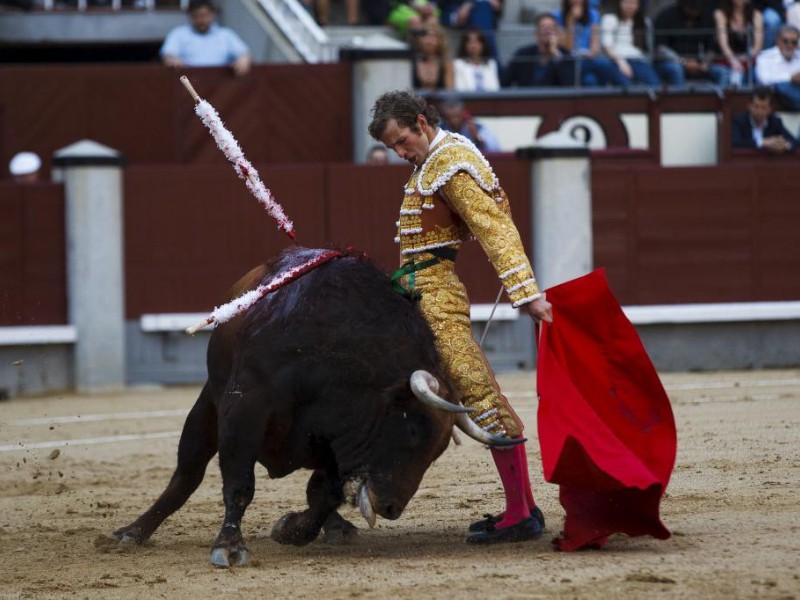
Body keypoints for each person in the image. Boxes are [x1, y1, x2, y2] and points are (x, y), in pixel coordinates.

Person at [368, 90, 553, 545]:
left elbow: (495, 227)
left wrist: (526, 293)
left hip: (435, 297)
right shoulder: (430, 164)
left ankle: (520, 512)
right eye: (392, 147)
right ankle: (523, 507)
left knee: (476, 390)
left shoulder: (450, 163)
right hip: (412, 292)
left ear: (420, 122)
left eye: (402, 141)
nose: (399, 153)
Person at [160, 0, 252, 77]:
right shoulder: (178, 34)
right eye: (197, 16)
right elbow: (168, 55)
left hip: (221, 89)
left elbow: (244, 54)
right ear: (190, 16)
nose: (201, 20)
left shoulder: (226, 35)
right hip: (189, 87)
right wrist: (173, 60)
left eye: (205, 15)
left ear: (213, 15)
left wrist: (243, 60)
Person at [553, 0, 628, 86]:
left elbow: (595, 47)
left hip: (588, 59)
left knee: (590, 80)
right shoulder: (557, 16)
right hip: (569, 61)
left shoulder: (593, 14)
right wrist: (571, 20)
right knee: (605, 64)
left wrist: (590, 53)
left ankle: (624, 89)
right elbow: (567, 48)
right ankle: (627, 87)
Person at [654, 0, 727, 86]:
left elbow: (711, 48)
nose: (694, 11)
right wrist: (684, 62)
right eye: (691, 8)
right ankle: (679, 98)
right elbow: (661, 48)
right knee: (676, 70)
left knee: (722, 72)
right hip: (671, 62)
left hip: (698, 63)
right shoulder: (666, 15)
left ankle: (719, 99)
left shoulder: (705, 16)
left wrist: (705, 62)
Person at [503, 13, 578, 87]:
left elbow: (570, 84)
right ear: (536, 34)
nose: (547, 31)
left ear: (557, 33)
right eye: (543, 28)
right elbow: (505, 81)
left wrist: (555, 54)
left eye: (551, 28)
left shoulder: (566, 55)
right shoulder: (523, 54)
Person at [600, 0, 664, 85]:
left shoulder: (645, 23)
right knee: (626, 85)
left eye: (633, 3)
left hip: (638, 61)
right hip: (615, 61)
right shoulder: (609, 19)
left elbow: (648, 49)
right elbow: (607, 46)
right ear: (620, 3)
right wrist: (621, 62)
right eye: (626, 2)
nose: (629, 6)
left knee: (654, 83)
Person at [731, 86, 798, 152]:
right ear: (749, 106)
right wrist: (762, 142)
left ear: (770, 109)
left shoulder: (775, 122)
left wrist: (784, 145)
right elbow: (735, 143)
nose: (759, 112)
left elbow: (794, 142)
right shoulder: (739, 122)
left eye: (764, 108)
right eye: (756, 106)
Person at [713, 0, 764, 87]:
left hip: (748, 58)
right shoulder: (720, 14)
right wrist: (733, 61)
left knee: (757, 73)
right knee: (735, 74)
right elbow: (723, 44)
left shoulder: (756, 15)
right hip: (726, 59)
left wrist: (748, 58)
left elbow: (758, 46)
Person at [755, 24, 800, 109]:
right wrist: (791, 78)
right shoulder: (765, 57)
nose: (789, 45)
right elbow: (764, 80)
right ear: (777, 41)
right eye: (785, 41)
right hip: (774, 95)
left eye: (794, 42)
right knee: (782, 86)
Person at [411, 24, 455, 91]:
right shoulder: (411, 62)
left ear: (440, 40)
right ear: (419, 39)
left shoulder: (446, 64)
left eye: (433, 36)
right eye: (426, 36)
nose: (429, 40)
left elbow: (450, 93)